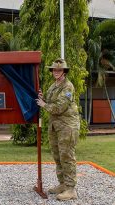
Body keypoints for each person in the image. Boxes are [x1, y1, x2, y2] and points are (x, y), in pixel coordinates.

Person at [36, 58, 79, 201]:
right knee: (58, 156)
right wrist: (43, 98)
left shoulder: (68, 87)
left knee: (67, 156)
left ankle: (71, 189)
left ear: (64, 71)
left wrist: (43, 105)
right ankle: (63, 184)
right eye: (54, 69)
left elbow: (60, 107)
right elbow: (50, 102)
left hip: (67, 126)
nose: (56, 72)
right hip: (56, 126)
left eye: (59, 70)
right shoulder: (53, 86)